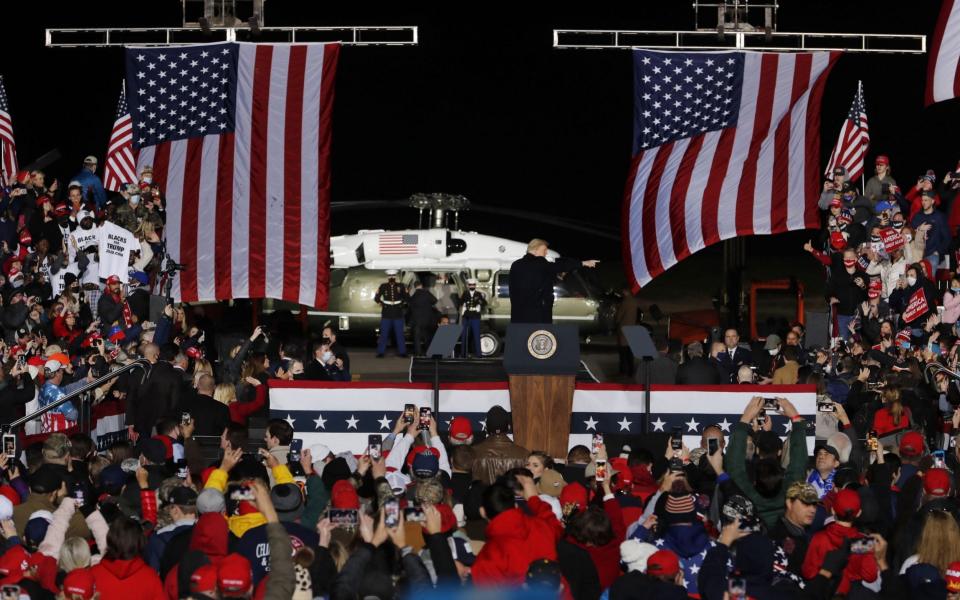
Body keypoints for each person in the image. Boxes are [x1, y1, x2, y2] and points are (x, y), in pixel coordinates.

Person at [508, 238, 597, 324]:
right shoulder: (540, 262)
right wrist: (583, 263)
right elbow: (560, 266)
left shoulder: (516, 265)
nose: (546, 253)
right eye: (544, 250)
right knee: (539, 338)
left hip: (518, 314)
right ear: (535, 250)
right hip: (537, 315)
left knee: (522, 338)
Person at [472, 406, 529, 485]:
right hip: (511, 497)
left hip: (484, 497)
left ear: (486, 427)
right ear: (508, 426)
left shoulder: (473, 453)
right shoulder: (524, 454)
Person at [374, 269, 408, 358]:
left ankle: (402, 352)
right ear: (388, 277)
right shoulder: (383, 286)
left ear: (395, 277)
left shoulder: (401, 286)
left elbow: (407, 297)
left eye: (393, 276)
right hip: (386, 313)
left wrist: (401, 304)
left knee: (400, 334)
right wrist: (382, 304)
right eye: (390, 276)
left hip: (398, 313)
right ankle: (380, 352)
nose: (392, 277)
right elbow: (376, 298)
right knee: (384, 334)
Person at [407, 280, 438, 357]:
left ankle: (418, 353)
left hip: (417, 320)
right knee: (427, 337)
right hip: (427, 320)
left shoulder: (414, 296)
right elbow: (435, 300)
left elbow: (410, 305)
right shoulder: (426, 293)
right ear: (421, 285)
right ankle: (429, 353)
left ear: (415, 287)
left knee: (417, 338)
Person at [459, 278, 486, 358]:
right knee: (464, 335)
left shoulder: (478, 294)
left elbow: (484, 303)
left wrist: (480, 303)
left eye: (473, 285)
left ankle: (479, 354)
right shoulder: (465, 293)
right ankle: (463, 354)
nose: (472, 286)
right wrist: (463, 304)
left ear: (475, 285)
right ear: (468, 286)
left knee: (476, 336)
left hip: (475, 317)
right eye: (470, 285)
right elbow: (460, 302)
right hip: (466, 316)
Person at [616, 287, 640, 377]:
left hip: (623, 329)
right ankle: (631, 370)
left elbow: (619, 316)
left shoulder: (625, 302)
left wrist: (616, 321)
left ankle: (623, 371)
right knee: (630, 352)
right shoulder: (634, 301)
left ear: (625, 291)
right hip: (631, 328)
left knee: (623, 352)